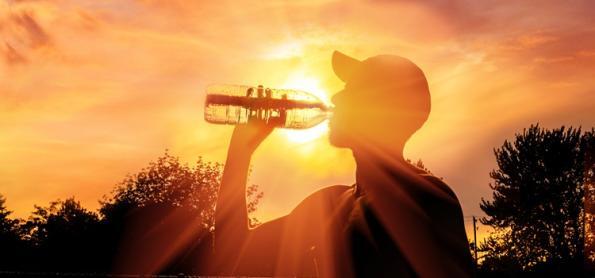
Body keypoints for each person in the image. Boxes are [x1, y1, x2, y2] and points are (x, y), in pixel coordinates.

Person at [210, 51, 474, 277]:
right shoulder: (331, 203)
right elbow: (232, 253)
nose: (335, 98)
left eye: (352, 90)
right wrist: (241, 150)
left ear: (383, 108)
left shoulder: (425, 198)